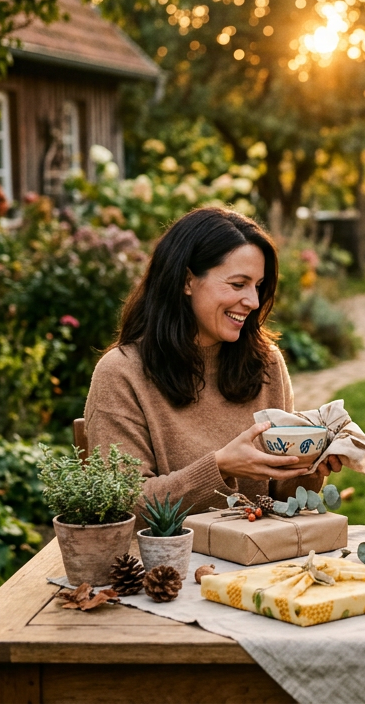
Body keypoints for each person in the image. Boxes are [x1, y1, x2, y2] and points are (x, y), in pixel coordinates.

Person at [83, 208, 338, 514]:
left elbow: (281, 501)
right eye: (237, 284)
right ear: (187, 281)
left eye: (257, 286)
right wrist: (220, 467)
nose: (253, 302)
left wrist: (309, 466)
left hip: (260, 557)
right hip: (166, 558)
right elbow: (124, 503)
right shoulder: (122, 373)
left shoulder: (266, 363)